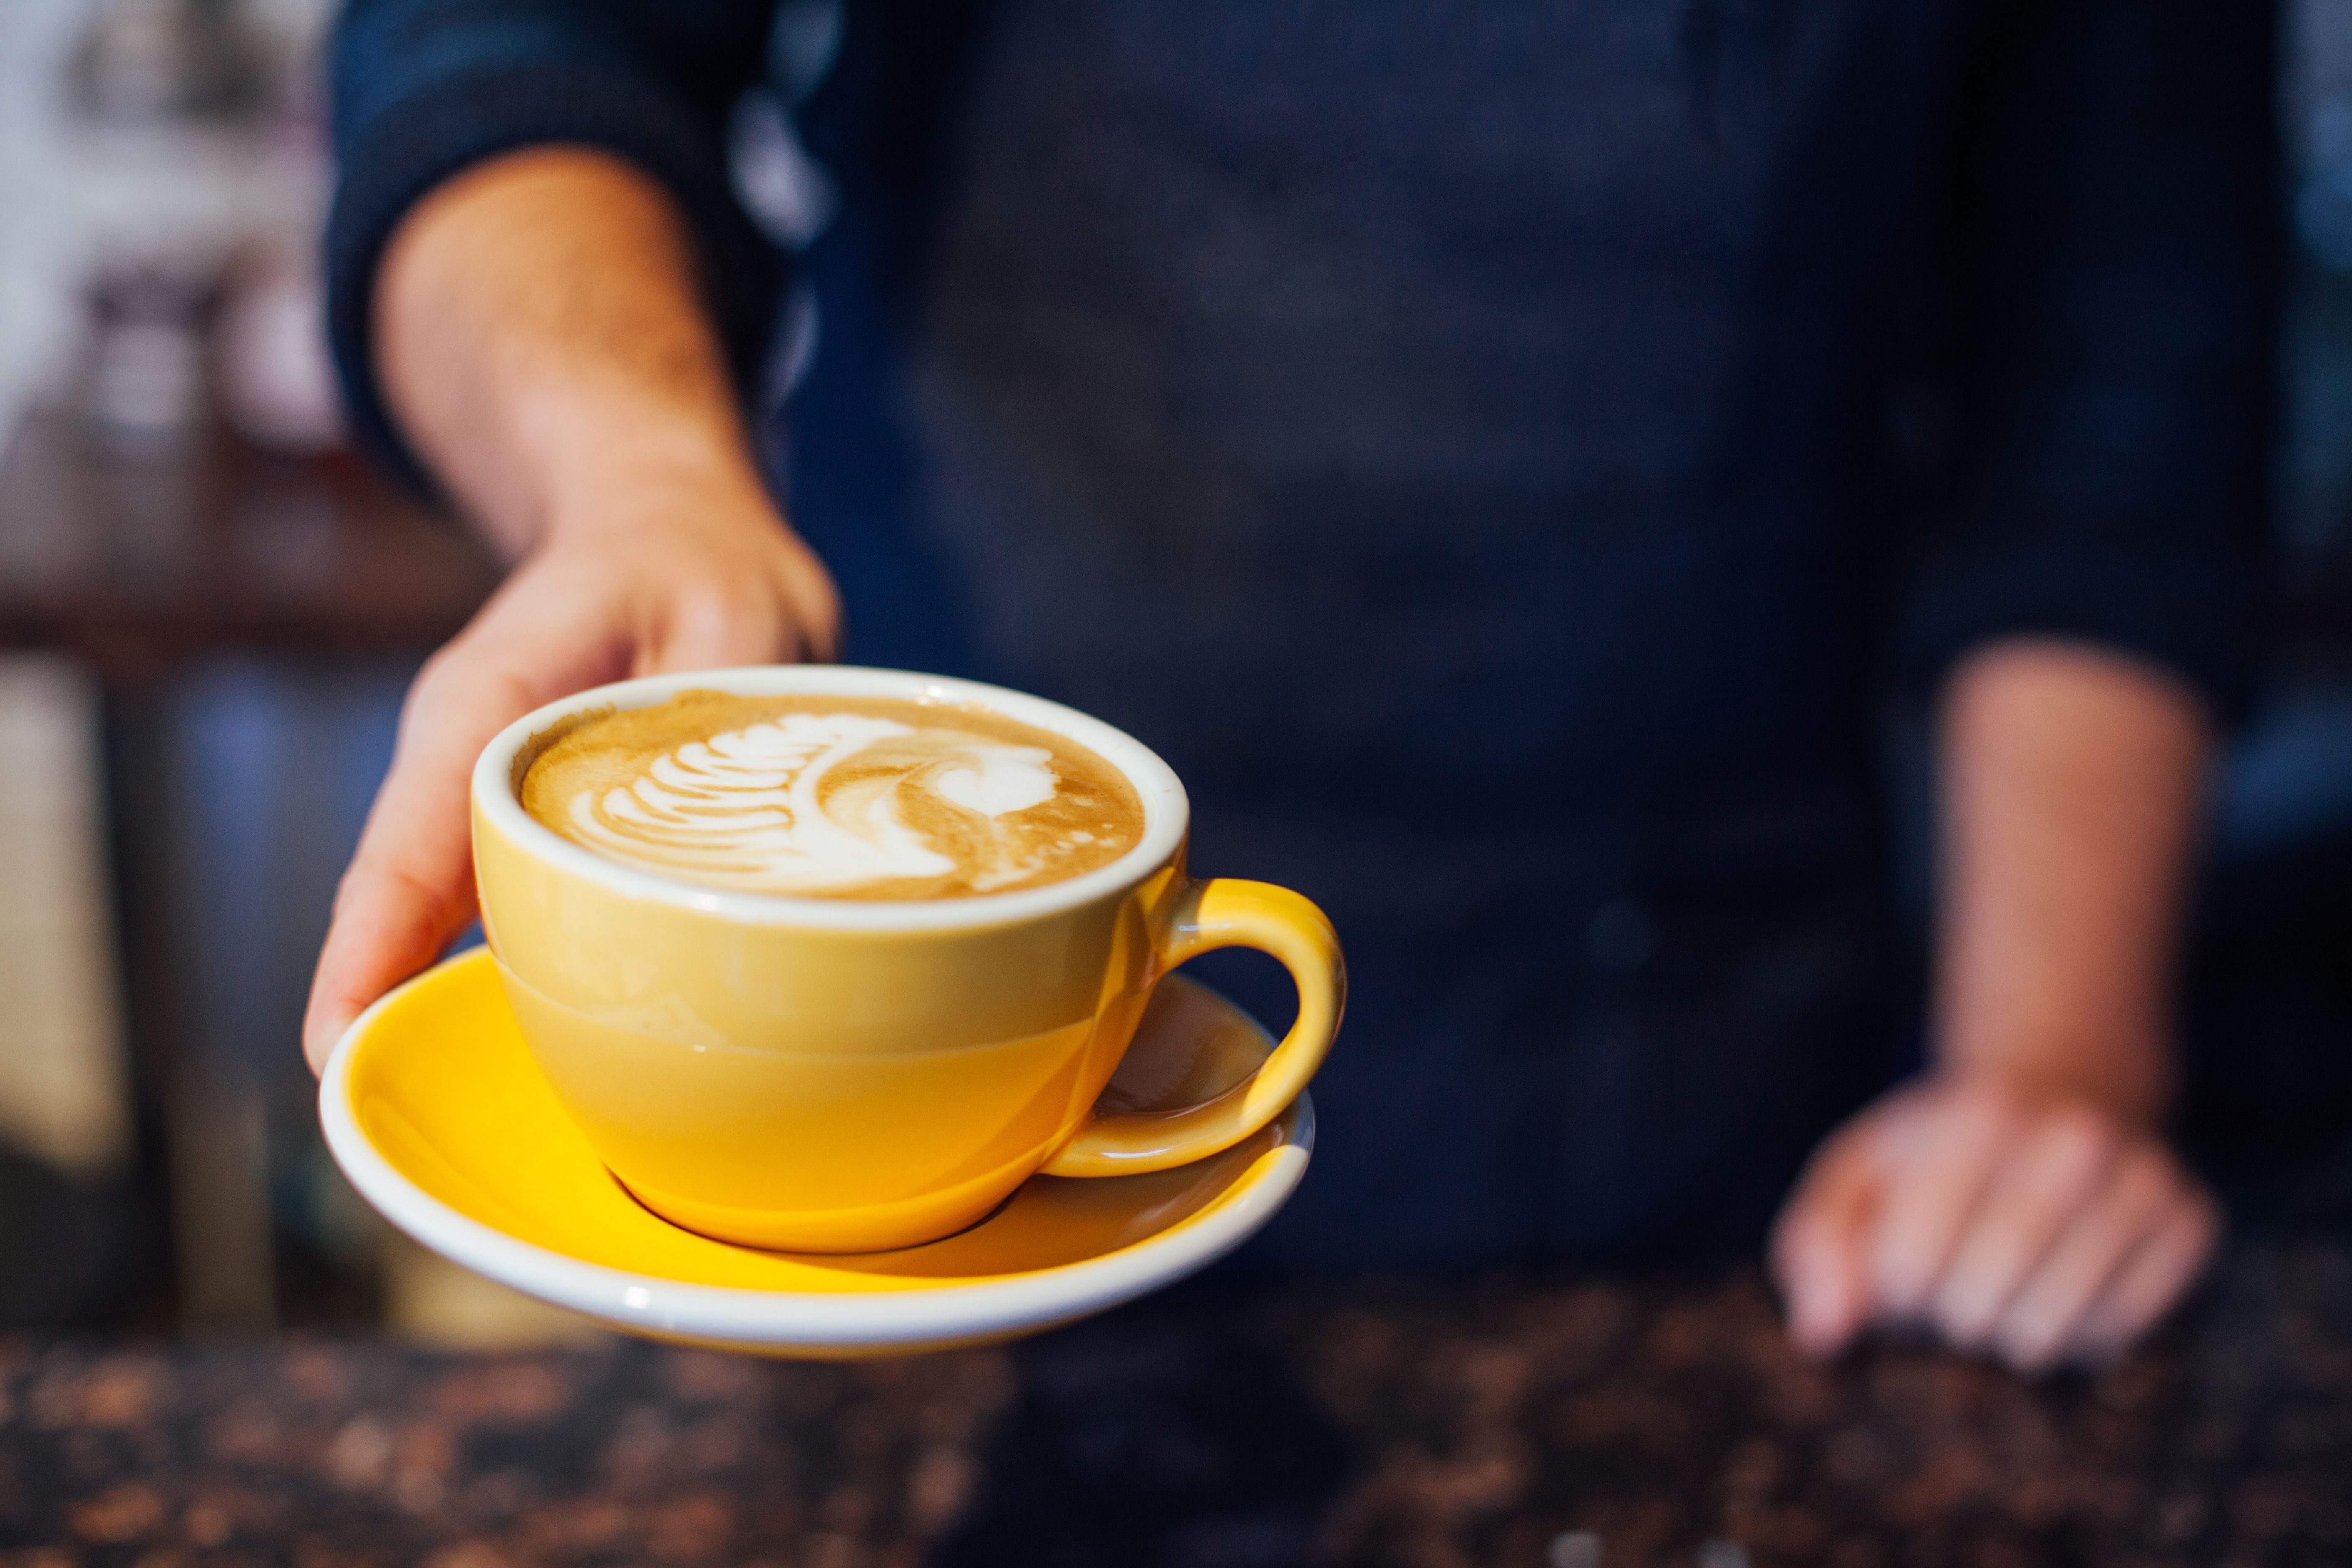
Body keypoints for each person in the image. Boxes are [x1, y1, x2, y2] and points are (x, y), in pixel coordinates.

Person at [306, 0, 2275, 1371]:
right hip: (852, 1109)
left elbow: (2114, 369)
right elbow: (503, 46)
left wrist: (2048, 1071)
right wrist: (641, 479)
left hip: (1707, 1134)